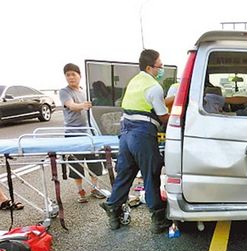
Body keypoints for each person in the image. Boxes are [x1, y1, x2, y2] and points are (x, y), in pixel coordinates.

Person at [100, 49, 171, 233]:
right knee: (151, 172)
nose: (161, 69)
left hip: (125, 133)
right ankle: (158, 218)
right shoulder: (154, 87)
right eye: (159, 66)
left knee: (126, 172)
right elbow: (163, 117)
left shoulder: (133, 82)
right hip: (142, 133)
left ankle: (113, 209)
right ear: (149, 67)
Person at [59, 63, 106, 203]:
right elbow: (71, 105)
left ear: (80, 75)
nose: (71, 77)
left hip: (89, 133)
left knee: (94, 162)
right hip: (73, 134)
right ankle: (80, 191)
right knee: (76, 164)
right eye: (68, 75)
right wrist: (83, 106)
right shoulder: (64, 91)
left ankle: (95, 188)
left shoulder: (85, 91)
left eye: (73, 74)